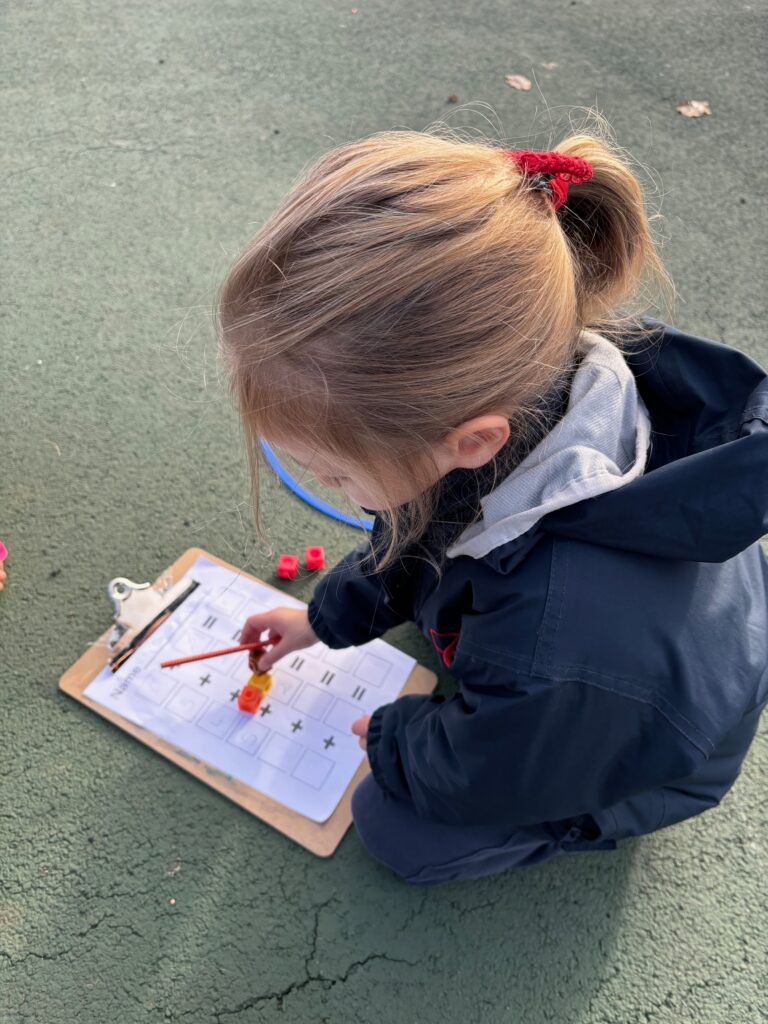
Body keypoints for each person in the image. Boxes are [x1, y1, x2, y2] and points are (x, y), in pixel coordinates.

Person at [218, 123, 768, 885]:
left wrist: (394, 739)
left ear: (472, 441)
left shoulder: (554, 630)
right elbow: (417, 532)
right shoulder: (517, 381)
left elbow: (486, 769)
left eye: (338, 478)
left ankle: (581, 820)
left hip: (659, 744)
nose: (335, 493)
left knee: (397, 828)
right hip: (592, 665)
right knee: (448, 599)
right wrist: (322, 618)